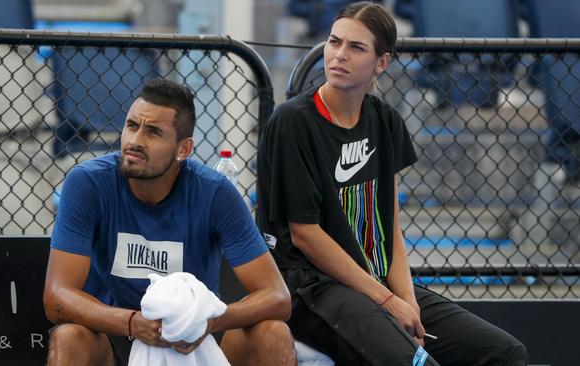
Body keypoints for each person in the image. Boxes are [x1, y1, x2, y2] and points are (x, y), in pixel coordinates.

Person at [257, 2, 528, 365]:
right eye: (334, 42)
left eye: (356, 47)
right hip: (313, 288)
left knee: (505, 352)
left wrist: (408, 302)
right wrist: (387, 301)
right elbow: (306, 235)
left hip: (374, 283)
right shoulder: (292, 121)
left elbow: (390, 225)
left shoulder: (385, 120)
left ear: (380, 62)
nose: (339, 55)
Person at [43, 79, 296, 366]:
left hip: (192, 345)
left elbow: (277, 297)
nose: (135, 140)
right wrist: (131, 323)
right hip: (114, 336)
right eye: (132, 125)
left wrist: (204, 322)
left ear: (183, 149)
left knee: (272, 334)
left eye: (153, 132)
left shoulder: (215, 192)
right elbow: (56, 297)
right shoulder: (87, 182)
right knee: (69, 339)